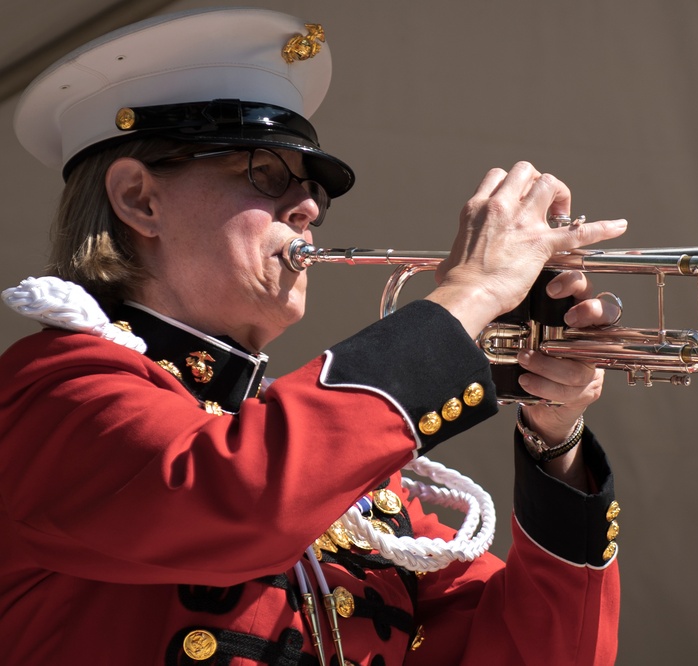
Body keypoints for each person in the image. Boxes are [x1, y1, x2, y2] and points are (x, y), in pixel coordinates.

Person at [0, 7, 627, 666]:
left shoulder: (348, 471)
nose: (307, 209)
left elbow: (542, 655)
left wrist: (555, 436)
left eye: (313, 190)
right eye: (266, 175)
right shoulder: (52, 393)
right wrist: (465, 300)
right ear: (139, 200)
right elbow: (239, 494)